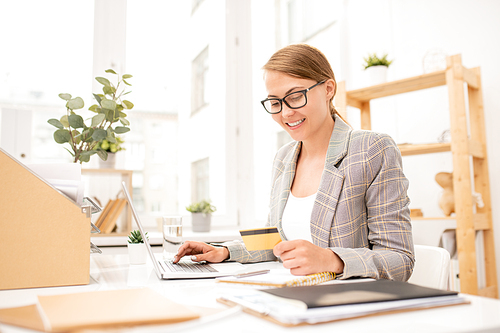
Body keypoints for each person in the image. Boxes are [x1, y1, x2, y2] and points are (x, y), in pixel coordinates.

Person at [174, 44, 414, 281]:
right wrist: (225, 251)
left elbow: (400, 258)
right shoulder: (284, 158)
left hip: (348, 303)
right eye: (276, 103)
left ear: (329, 89)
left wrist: (332, 260)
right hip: (294, 294)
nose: (286, 113)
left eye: (296, 96)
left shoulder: (371, 150)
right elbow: (275, 241)